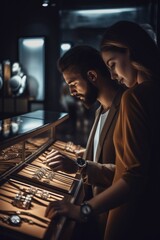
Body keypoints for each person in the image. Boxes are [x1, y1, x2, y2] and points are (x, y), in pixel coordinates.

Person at [45, 21, 160, 240]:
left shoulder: (133, 98)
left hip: (127, 221)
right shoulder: (101, 111)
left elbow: (130, 176)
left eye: (113, 64)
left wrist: (83, 209)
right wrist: (80, 162)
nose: (114, 75)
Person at [45, 45, 125, 239]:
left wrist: (79, 165)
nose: (71, 92)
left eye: (73, 83)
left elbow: (130, 175)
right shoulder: (100, 110)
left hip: (115, 222)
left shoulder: (126, 108)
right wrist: (79, 158)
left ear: (92, 76)